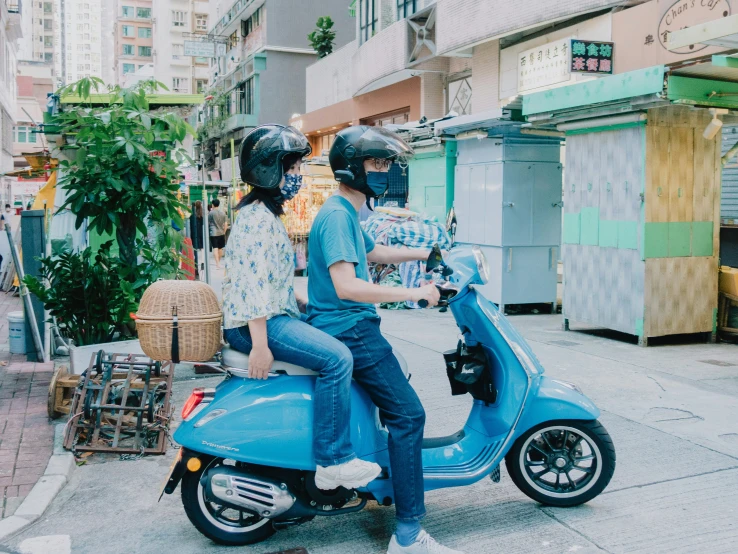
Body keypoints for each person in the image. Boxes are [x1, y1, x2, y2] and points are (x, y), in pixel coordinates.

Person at [307, 126, 463, 554]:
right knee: (409, 416)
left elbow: (374, 254)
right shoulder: (339, 215)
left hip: (348, 326)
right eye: (377, 164)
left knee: (399, 408)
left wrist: (430, 254)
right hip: (350, 328)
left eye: (388, 164)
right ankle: (409, 534)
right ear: (353, 168)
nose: (385, 172)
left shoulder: (345, 212)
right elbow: (347, 286)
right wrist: (414, 292)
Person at [222, 124, 382, 491]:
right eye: (291, 169)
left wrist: (303, 302)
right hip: (255, 324)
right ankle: (333, 460)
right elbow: (252, 287)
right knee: (338, 358)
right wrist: (260, 347)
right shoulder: (256, 221)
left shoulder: (263, 215)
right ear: (269, 170)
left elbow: (269, 279)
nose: (297, 177)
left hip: (270, 315)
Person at [208, 198, 228, 269]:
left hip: (213, 233)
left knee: (215, 248)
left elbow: (208, 223)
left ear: (213, 205)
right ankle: (218, 262)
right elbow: (226, 224)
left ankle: (217, 264)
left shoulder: (211, 213)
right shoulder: (223, 213)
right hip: (221, 233)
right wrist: (224, 232)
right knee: (220, 249)